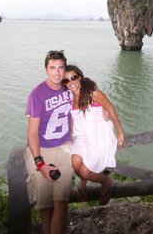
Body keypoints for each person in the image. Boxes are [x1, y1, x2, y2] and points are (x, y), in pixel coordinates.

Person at [25, 50, 74, 234]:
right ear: (46, 69)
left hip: (64, 148)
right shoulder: (36, 95)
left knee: (61, 201)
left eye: (61, 68)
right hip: (40, 150)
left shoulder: (69, 88)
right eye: (52, 68)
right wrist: (40, 164)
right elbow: (32, 134)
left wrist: (103, 111)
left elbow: (87, 101)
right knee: (46, 209)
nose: (57, 73)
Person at [63, 65, 125, 206]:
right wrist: (68, 137)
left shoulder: (93, 94)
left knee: (84, 171)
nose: (71, 82)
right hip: (81, 137)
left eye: (74, 77)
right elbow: (73, 120)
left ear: (80, 77)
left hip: (99, 137)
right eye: (66, 80)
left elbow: (111, 109)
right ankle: (83, 183)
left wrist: (120, 133)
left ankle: (106, 182)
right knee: (75, 162)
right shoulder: (68, 99)